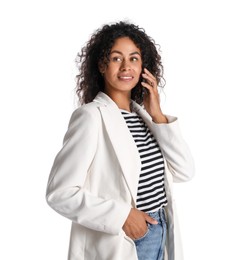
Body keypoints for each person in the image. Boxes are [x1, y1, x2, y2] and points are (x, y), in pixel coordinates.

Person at [46, 21, 195, 260]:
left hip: (162, 231)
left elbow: (185, 171)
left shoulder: (146, 118)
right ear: (102, 65)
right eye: (116, 58)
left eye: (134, 59)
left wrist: (157, 114)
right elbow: (60, 193)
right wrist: (123, 216)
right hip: (126, 238)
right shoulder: (91, 116)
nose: (126, 66)